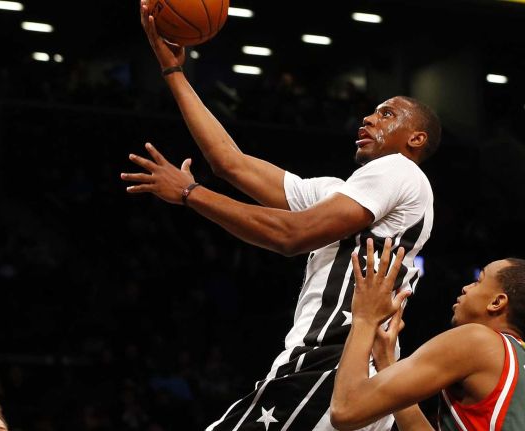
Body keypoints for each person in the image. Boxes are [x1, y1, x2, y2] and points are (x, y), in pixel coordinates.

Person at [121, 2, 440, 429]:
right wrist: (173, 72)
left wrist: (190, 195)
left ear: (415, 138)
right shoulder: (341, 191)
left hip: (332, 361)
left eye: (387, 114)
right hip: (350, 373)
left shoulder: (400, 170)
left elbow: (292, 235)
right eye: (372, 110)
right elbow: (229, 163)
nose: (368, 117)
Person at [330, 239, 525, 431]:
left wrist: (365, 319)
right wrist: (387, 363)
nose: (466, 288)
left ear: (497, 302)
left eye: (479, 281)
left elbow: (346, 409)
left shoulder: (479, 341)